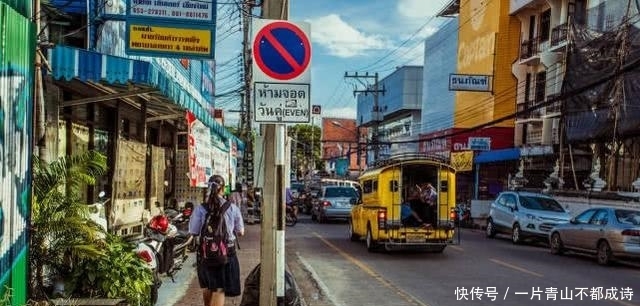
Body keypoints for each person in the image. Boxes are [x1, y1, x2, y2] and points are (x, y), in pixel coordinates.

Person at [189, 175, 245, 306]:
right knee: (219, 289)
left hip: (205, 252)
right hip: (226, 253)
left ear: (209, 188)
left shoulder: (200, 208)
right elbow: (241, 232)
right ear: (223, 189)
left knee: (208, 286)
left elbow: (194, 231)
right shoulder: (232, 208)